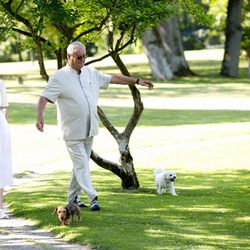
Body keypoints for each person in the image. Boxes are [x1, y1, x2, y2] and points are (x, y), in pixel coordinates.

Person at [36, 41, 154, 211]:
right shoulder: (59, 77)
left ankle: (72, 200)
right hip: (72, 132)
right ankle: (93, 198)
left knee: (80, 165)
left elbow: (113, 78)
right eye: (78, 57)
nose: (82, 59)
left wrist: (136, 80)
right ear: (69, 57)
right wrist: (39, 117)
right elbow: (44, 98)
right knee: (82, 165)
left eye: (84, 56)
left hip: (90, 129)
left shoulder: (91, 73)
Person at [0, 80, 13, 219]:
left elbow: (4, 109)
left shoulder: (1, 84)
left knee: (1, 166)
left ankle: (0, 207)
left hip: (0, 127)